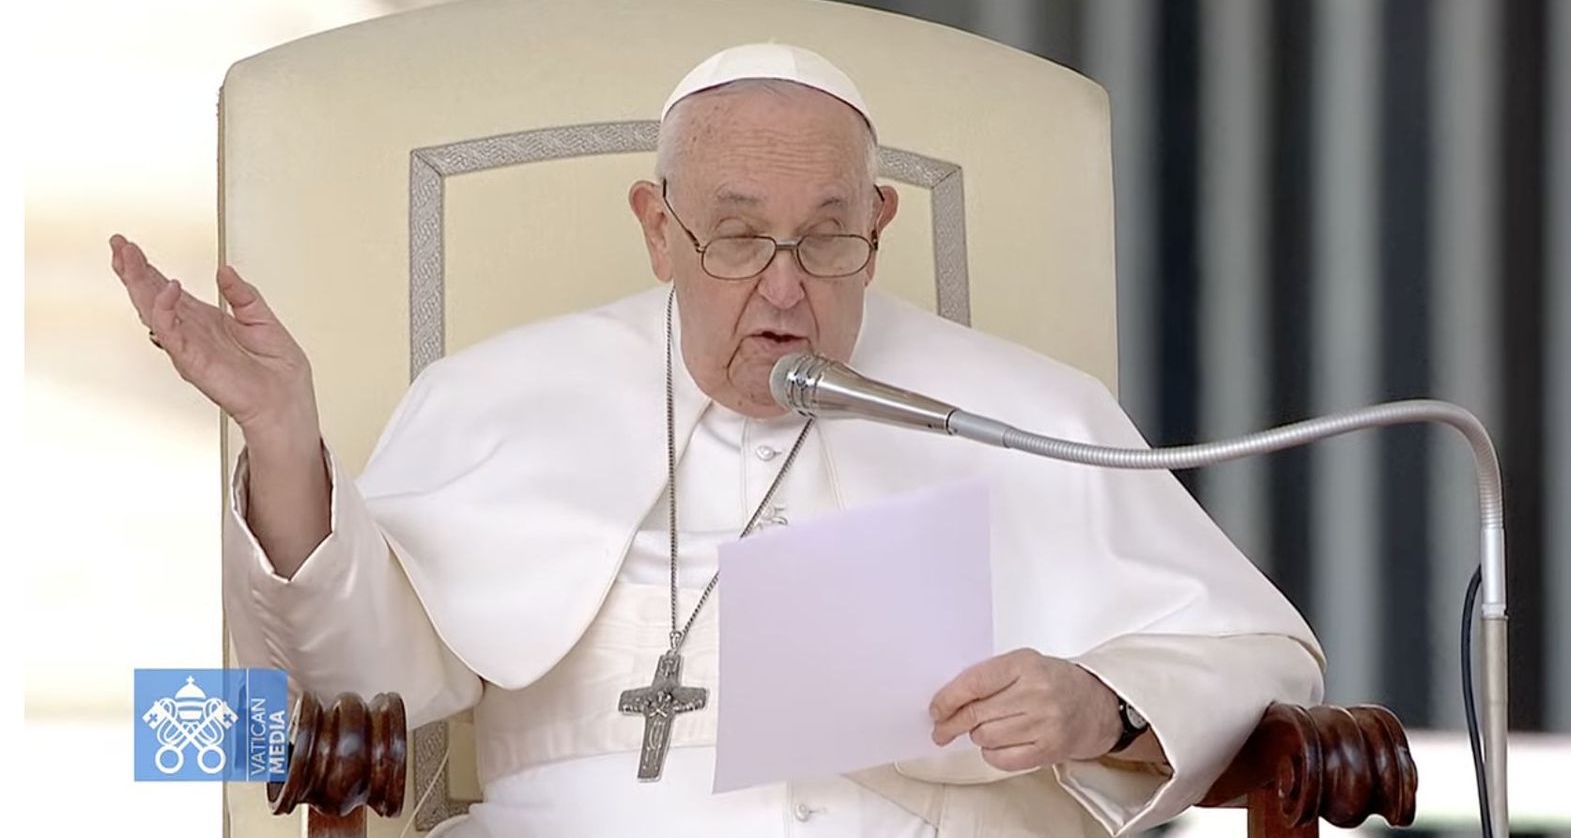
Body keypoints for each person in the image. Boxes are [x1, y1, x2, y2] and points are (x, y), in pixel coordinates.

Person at [110, 44, 1322, 837]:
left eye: (827, 238)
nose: (784, 292)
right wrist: (282, 437)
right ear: (656, 227)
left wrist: (1102, 705)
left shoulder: (1030, 414)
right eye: (736, 240)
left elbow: (1262, 656)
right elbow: (331, 687)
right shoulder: (502, 395)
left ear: (880, 224)